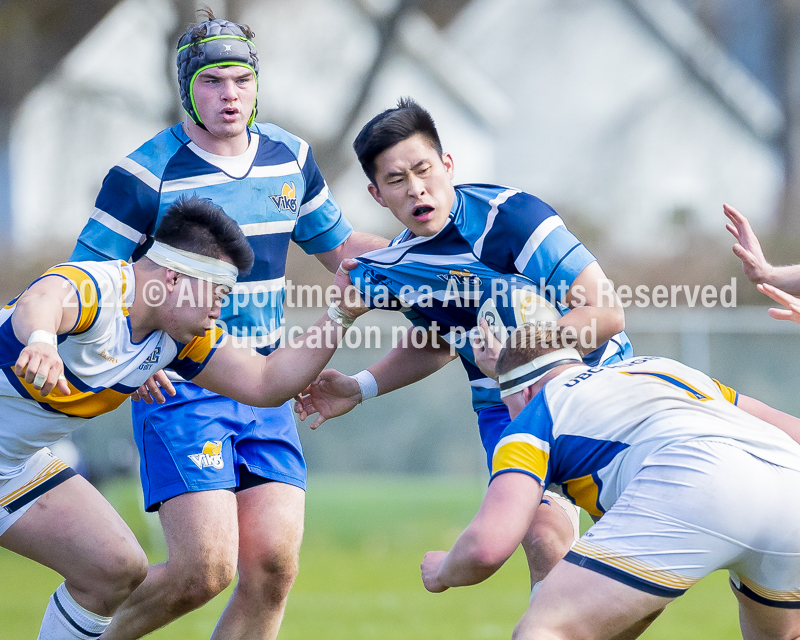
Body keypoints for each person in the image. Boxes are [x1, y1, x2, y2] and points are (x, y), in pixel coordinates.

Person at [69, 10, 386, 640]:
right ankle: (76, 632)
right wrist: (126, 366)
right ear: (187, 88)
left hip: (268, 382)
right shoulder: (143, 173)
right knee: (204, 571)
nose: (229, 95)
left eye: (240, 80)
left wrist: (438, 266)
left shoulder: (290, 159)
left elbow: (344, 250)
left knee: (272, 567)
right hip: (182, 381)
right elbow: (86, 283)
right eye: (212, 81)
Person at [294, 98, 632, 591]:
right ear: (376, 193)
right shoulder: (398, 267)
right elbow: (437, 342)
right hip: (503, 407)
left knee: (639, 556)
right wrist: (360, 386)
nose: (416, 189)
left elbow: (606, 313)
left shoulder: (512, 219)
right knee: (542, 540)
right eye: (396, 180)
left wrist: (520, 355)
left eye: (423, 169)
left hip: (593, 384)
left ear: (447, 165)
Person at [0, 196, 365, 640]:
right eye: (218, 294)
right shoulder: (102, 288)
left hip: (15, 467)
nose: (219, 309)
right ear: (173, 277)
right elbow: (44, 297)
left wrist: (340, 313)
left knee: (117, 568)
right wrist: (40, 341)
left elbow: (267, 381)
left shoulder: (176, 339)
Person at [420, 322, 800, 640]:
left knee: (547, 630)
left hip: (694, 479)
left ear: (524, 391)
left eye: (508, 400)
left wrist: (442, 570)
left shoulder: (537, 414)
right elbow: (785, 425)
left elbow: (487, 546)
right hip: (790, 481)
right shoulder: (660, 368)